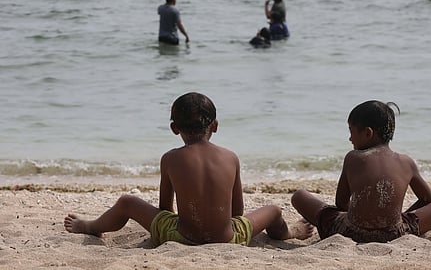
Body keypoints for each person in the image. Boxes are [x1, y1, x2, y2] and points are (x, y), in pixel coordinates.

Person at [64, 92, 313, 246]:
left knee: (127, 202)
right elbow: (237, 213)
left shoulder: (170, 159)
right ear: (215, 126)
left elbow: (164, 210)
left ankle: (91, 227)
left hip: (180, 237)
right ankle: (291, 232)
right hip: (229, 238)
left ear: (174, 128)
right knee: (273, 209)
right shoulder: (230, 157)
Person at [291, 100, 431, 243]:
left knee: (299, 196)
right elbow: (427, 200)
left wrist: (364, 217)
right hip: (395, 233)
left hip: (348, 232)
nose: (350, 139)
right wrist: (396, 216)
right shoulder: (407, 162)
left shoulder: (354, 158)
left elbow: (341, 203)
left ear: (368, 133)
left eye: (351, 131)